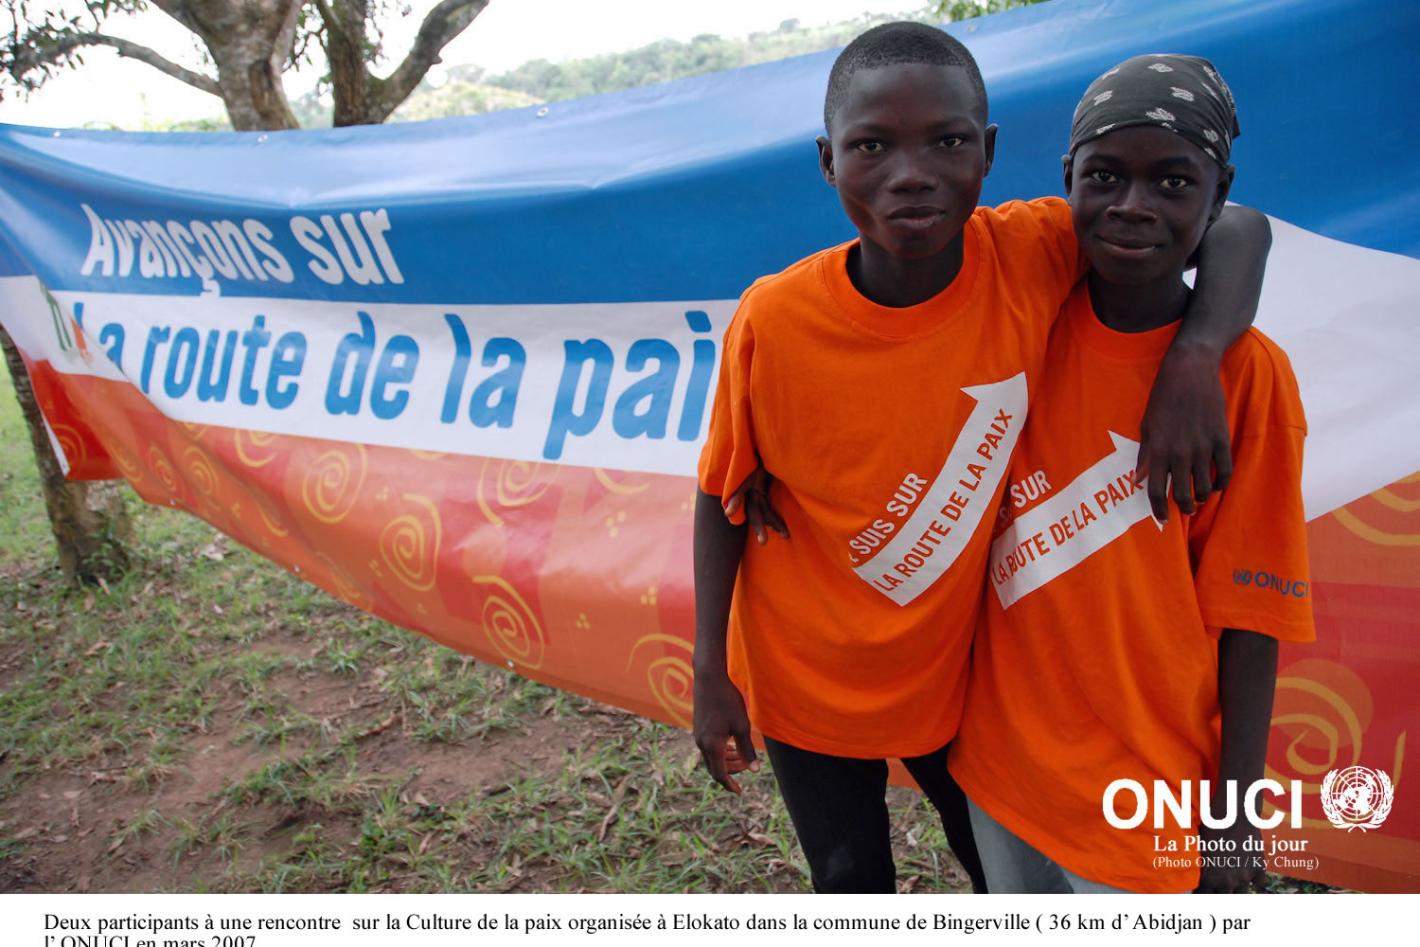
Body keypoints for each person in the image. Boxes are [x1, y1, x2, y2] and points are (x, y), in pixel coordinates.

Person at [693, 22, 1271, 894]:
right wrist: (709, 670)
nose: (912, 172)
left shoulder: (1031, 254)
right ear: (827, 160)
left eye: (948, 141)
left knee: (991, 865)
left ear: (989, 152)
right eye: (872, 146)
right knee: (848, 878)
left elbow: (1237, 227)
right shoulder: (774, 322)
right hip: (804, 674)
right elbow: (721, 491)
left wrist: (1196, 356)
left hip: (950, 675)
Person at [947, 54, 1315, 894]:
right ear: (1066, 178)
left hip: (1148, 795)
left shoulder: (1247, 376)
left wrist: (1235, 817)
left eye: (1173, 183)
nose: (1132, 205)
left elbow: (1251, 614)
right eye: (1105, 176)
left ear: (1217, 194)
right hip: (1003, 767)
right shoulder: (1025, 321)